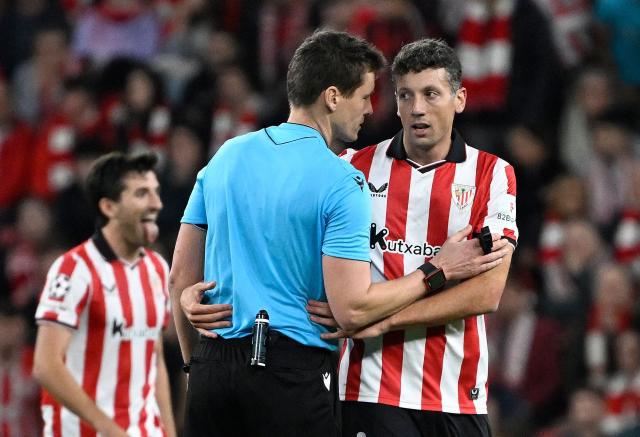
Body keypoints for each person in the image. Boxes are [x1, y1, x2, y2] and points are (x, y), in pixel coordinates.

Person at [332, 38, 518, 436]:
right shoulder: (353, 169)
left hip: (456, 395)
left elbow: (487, 293)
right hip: (368, 391)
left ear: (460, 99)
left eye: (431, 94)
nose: (416, 108)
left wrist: (385, 322)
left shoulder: (493, 174)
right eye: (405, 95)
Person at [32, 152, 176, 437]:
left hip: (143, 430)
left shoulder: (156, 268)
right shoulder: (74, 269)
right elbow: (46, 365)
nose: (156, 204)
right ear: (109, 206)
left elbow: (154, 356)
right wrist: (108, 428)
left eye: (156, 193)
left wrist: (169, 431)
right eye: (141, 194)